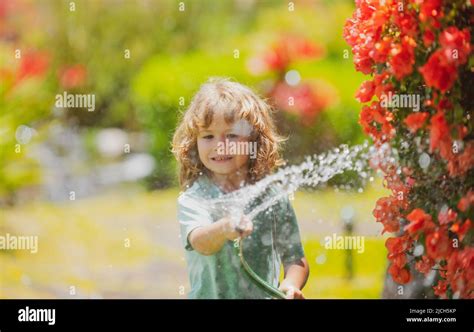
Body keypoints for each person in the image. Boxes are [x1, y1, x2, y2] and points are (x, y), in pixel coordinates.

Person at [172, 77, 309, 299]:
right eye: (208, 136)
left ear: (254, 139)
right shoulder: (195, 199)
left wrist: (291, 285)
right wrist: (224, 228)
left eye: (232, 135)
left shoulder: (271, 197)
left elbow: (295, 258)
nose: (220, 145)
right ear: (194, 142)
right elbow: (200, 242)